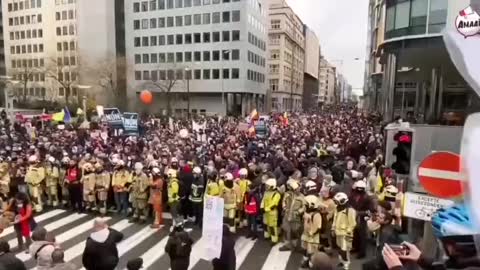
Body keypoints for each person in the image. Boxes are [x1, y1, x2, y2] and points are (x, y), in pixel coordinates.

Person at [332, 192, 357, 270]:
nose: (335, 203)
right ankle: (342, 261)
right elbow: (334, 219)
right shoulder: (337, 208)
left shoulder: (350, 210)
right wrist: (333, 229)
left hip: (345, 234)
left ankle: (346, 265)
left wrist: (347, 232)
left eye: (337, 201)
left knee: (344, 251)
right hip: (338, 232)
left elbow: (352, 224)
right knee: (340, 248)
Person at [280, 178, 305, 252]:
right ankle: (288, 245)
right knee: (286, 230)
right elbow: (284, 201)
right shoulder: (287, 194)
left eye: (298, 188)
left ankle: (295, 245)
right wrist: (284, 207)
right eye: (296, 189)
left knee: (295, 231)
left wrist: (298, 212)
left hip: (295, 217)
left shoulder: (302, 197)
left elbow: (304, 207)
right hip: (287, 215)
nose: (298, 190)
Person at [300, 195, 323, 268]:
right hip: (305, 235)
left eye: (306, 204)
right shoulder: (307, 213)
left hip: (312, 237)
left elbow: (319, 227)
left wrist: (312, 233)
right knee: (304, 249)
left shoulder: (317, 215)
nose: (305, 206)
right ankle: (306, 261)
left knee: (311, 252)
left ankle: (312, 264)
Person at [261, 178, 281, 244]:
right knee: (266, 224)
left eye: (268, 186)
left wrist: (266, 209)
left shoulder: (276, 194)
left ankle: (274, 239)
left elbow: (274, 204)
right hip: (265, 212)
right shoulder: (266, 192)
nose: (266, 187)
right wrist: (261, 207)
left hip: (272, 212)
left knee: (272, 226)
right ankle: (267, 235)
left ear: (272, 186)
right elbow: (263, 200)